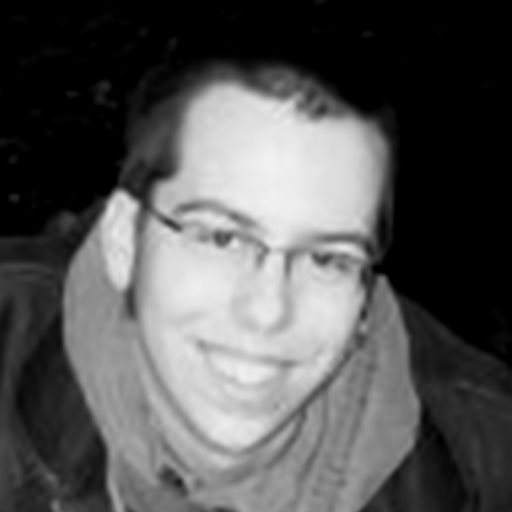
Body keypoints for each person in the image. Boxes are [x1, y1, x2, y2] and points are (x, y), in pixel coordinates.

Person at [2, 37, 512, 512]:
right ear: (125, 241)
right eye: (222, 238)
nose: (268, 312)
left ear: (364, 299)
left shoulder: (484, 458)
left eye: (327, 259)